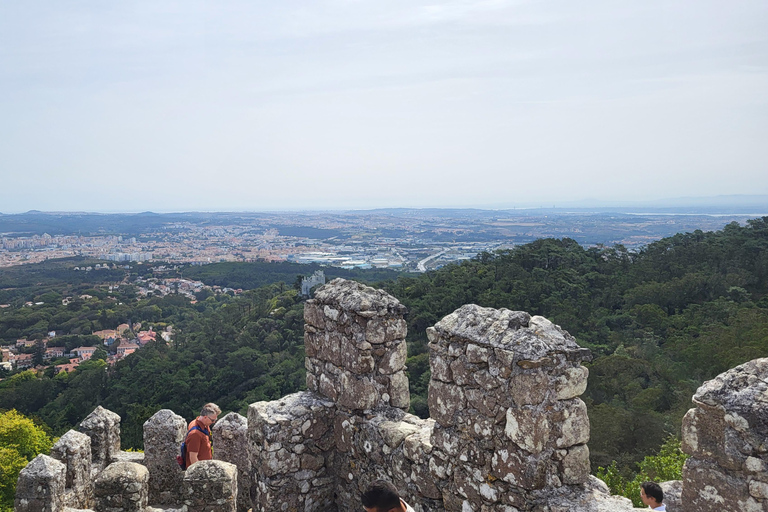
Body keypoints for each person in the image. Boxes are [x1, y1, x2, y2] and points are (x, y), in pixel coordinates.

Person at [185, 403, 220, 467]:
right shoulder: (195, 434)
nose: (214, 422)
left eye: (215, 420)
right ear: (205, 417)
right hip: (200, 471)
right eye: (212, 420)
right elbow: (193, 458)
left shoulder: (204, 425)